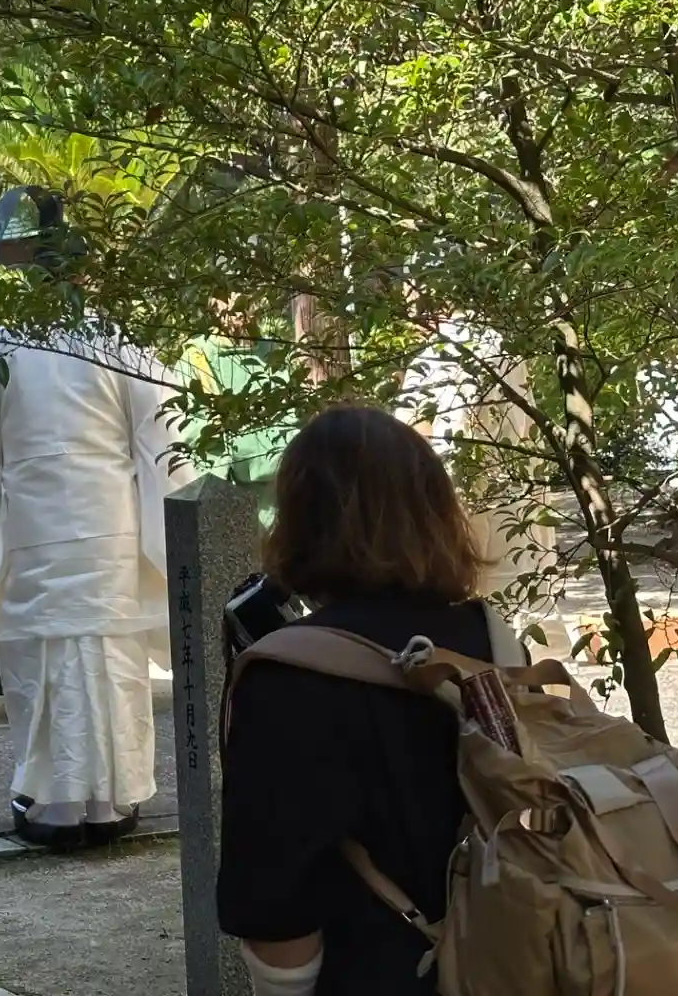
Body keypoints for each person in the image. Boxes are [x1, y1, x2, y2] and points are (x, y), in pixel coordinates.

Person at [217, 405, 494, 996]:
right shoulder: (492, 638)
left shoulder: (286, 673)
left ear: (299, 520)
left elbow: (276, 909)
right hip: (509, 961)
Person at [0, 327, 177, 850]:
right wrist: (170, 545)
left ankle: (56, 806)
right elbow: (162, 448)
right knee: (111, 653)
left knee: (41, 657)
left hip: (34, 529)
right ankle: (111, 802)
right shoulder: (118, 342)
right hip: (111, 528)